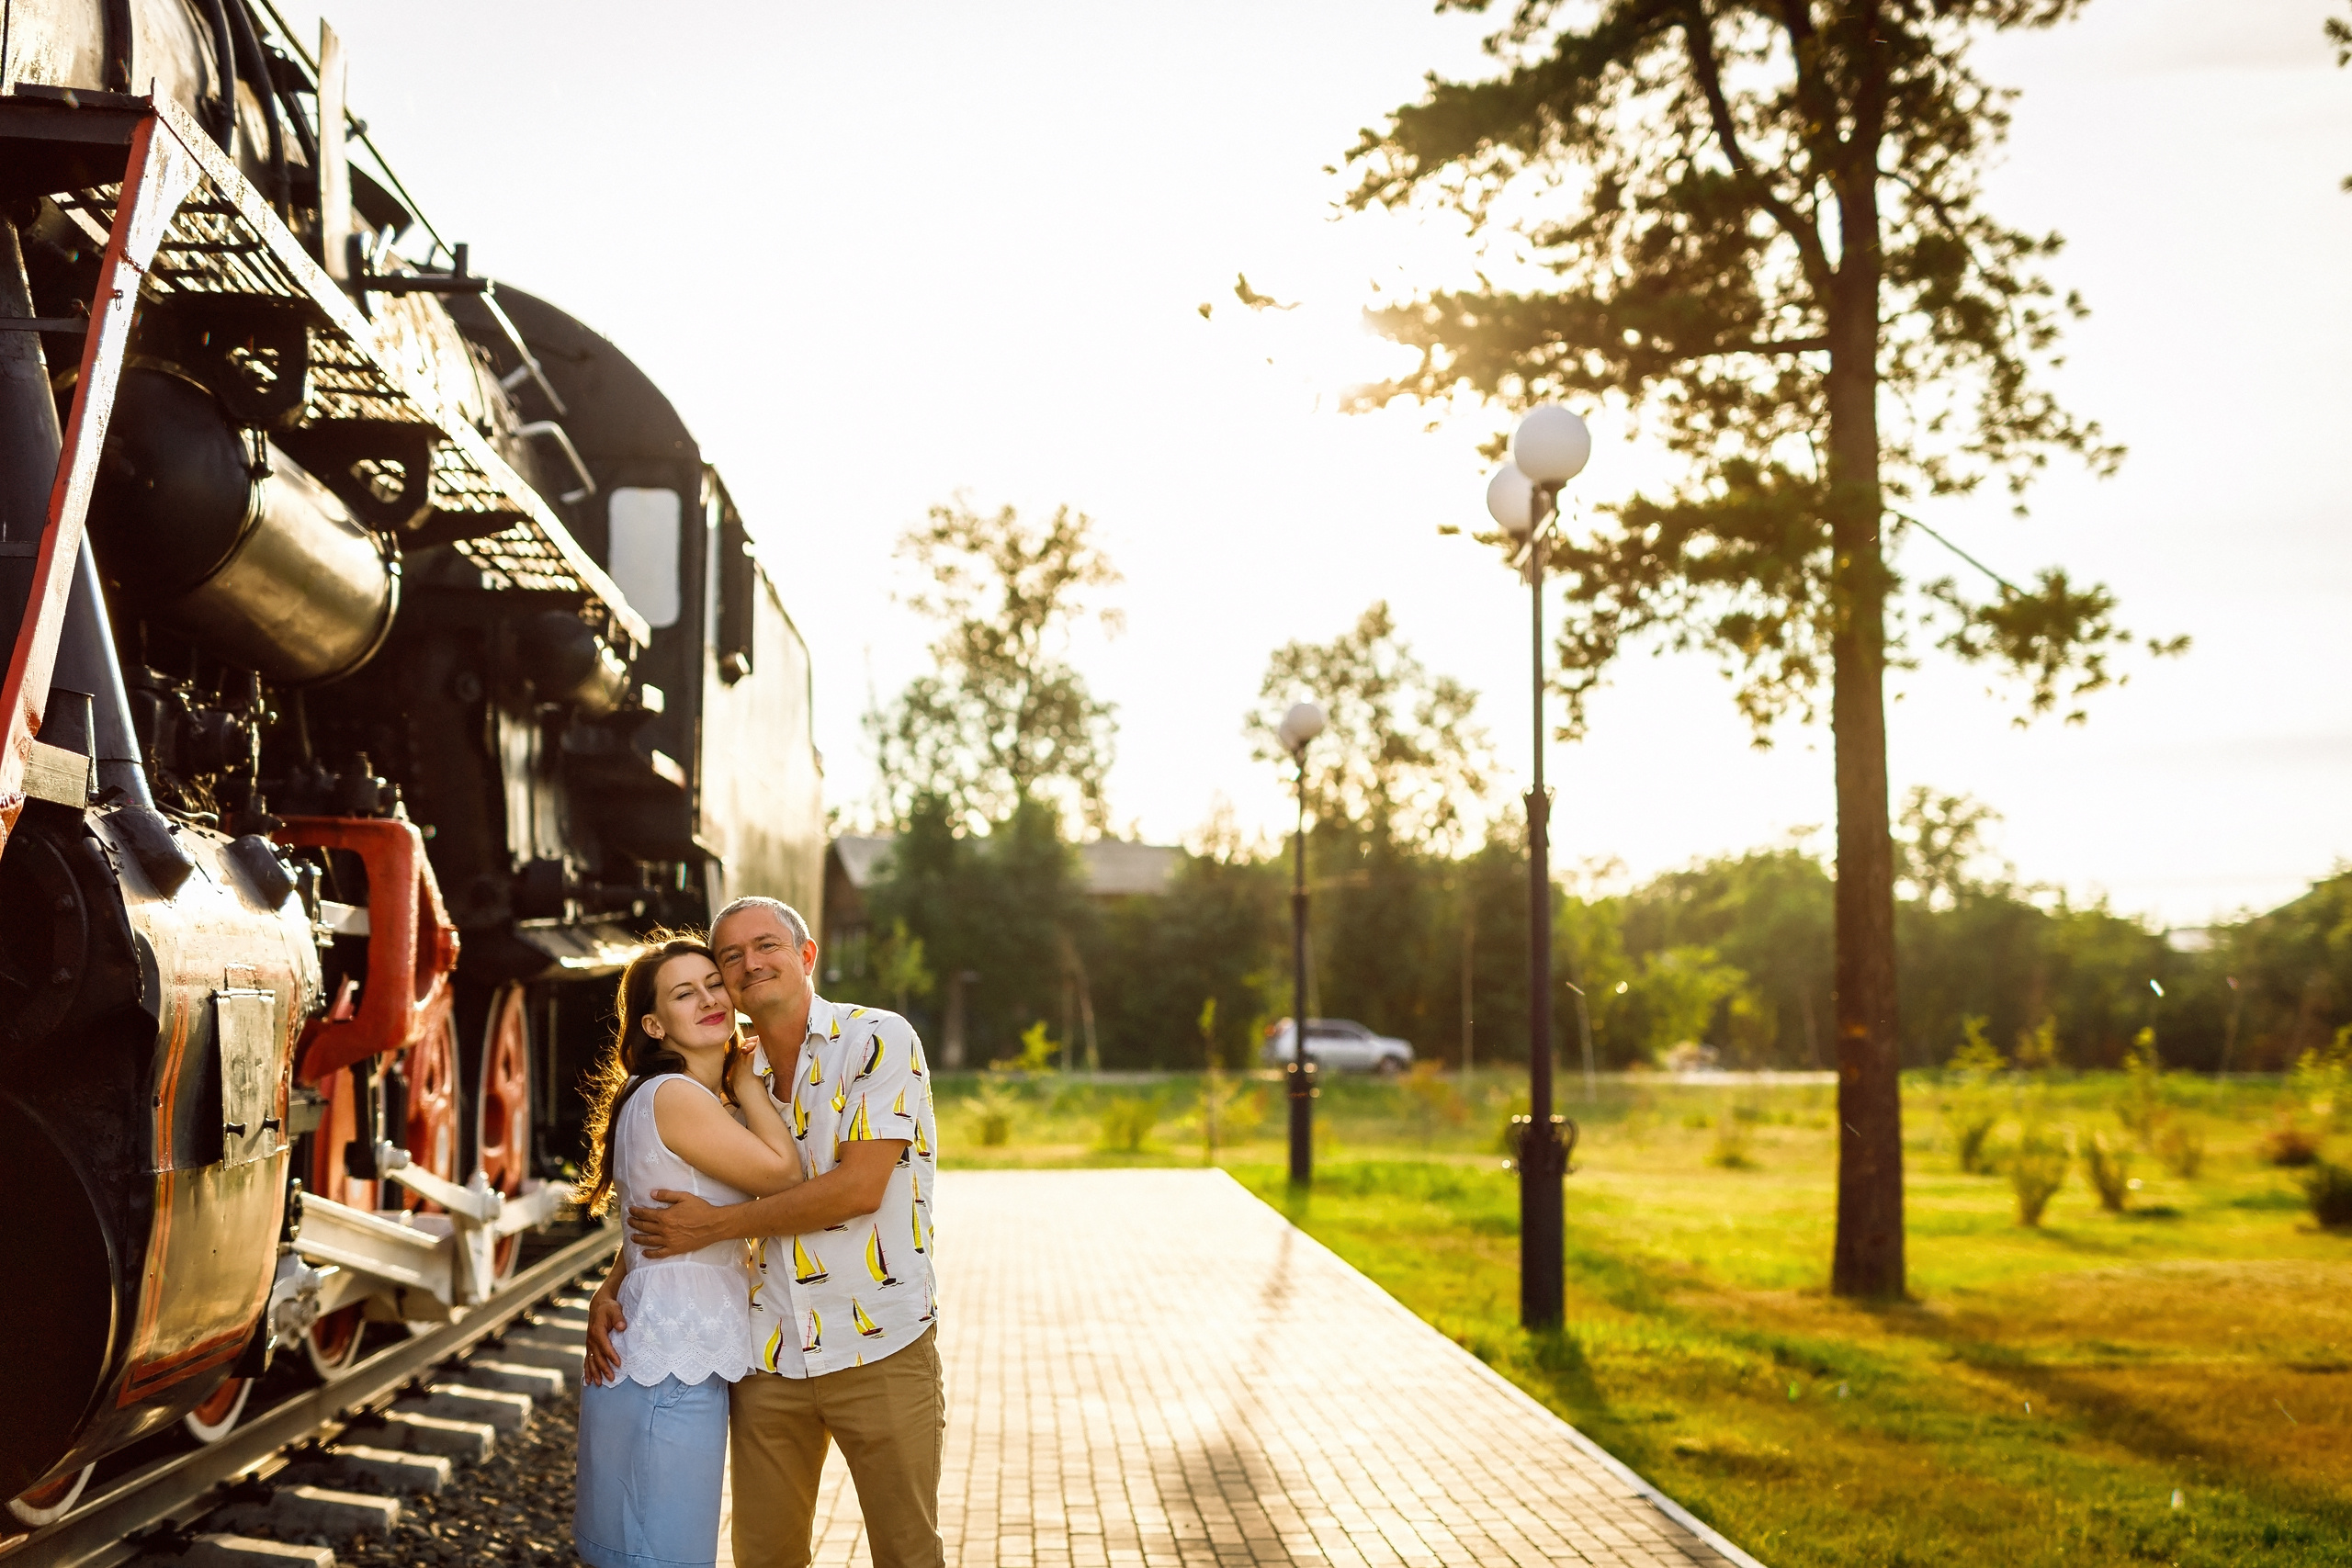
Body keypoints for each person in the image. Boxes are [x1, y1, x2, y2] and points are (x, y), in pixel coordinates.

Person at [585, 897, 944, 1568]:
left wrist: (716, 1226)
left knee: (907, 1553)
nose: (750, 963)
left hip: (880, 1347)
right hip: (766, 1354)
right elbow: (681, 1206)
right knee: (765, 1557)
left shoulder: (876, 1038)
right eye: (731, 956)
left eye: (767, 945)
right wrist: (616, 1282)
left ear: (806, 955)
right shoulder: (725, 1083)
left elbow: (857, 1189)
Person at [573, 935, 806, 1568]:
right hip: (669, 1364)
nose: (708, 998)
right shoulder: (676, 1096)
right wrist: (747, 1082)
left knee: (644, 1551)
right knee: (663, 1556)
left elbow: (656, 1223)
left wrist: (610, 1284)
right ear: (655, 1024)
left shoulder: (676, 1096)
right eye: (684, 993)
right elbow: (785, 1177)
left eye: (712, 983)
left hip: (669, 1354)